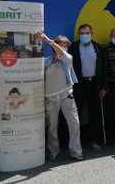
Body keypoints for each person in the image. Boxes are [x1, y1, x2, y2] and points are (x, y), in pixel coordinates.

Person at [39, 33, 83, 161]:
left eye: (65, 46)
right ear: (54, 47)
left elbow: (64, 55)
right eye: (60, 45)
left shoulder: (68, 59)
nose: (63, 48)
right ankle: (53, 151)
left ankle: (76, 152)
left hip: (66, 95)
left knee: (74, 124)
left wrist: (49, 40)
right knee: (52, 126)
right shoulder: (45, 61)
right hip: (50, 98)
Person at [70, 24, 107, 150]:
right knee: (77, 113)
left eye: (87, 33)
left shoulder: (98, 48)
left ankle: (93, 139)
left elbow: (103, 68)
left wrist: (103, 86)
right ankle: (77, 141)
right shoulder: (73, 47)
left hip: (94, 84)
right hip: (79, 85)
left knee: (94, 113)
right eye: (82, 33)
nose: (84, 36)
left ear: (92, 33)